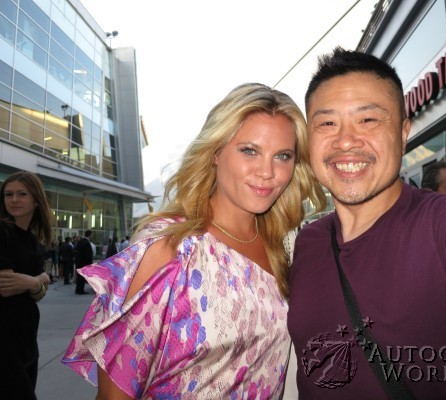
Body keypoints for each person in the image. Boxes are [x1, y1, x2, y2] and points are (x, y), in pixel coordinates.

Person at [287, 48, 446, 400]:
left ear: (403, 133)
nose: (346, 140)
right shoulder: (308, 241)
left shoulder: (444, 223)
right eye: (327, 123)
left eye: (368, 119)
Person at [62, 82, 326, 398]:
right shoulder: (170, 247)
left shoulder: (284, 247)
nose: (267, 171)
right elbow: (113, 396)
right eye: (249, 150)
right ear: (215, 153)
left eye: (282, 155)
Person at [0, 171, 53, 400]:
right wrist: (38, 280)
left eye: (22, 194)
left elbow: (38, 295)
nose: (14, 200)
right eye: (8, 194)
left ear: (36, 199)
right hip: (3, 341)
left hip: (27, 338)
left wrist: (35, 284)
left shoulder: (34, 241)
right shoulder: (2, 232)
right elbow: (6, 286)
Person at [74, 229, 93, 295]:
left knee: (79, 276)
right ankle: (80, 290)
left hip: (79, 261)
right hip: (84, 262)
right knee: (82, 277)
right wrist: (89, 264)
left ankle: (78, 289)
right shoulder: (87, 243)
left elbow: (76, 250)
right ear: (90, 235)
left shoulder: (81, 241)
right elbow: (87, 255)